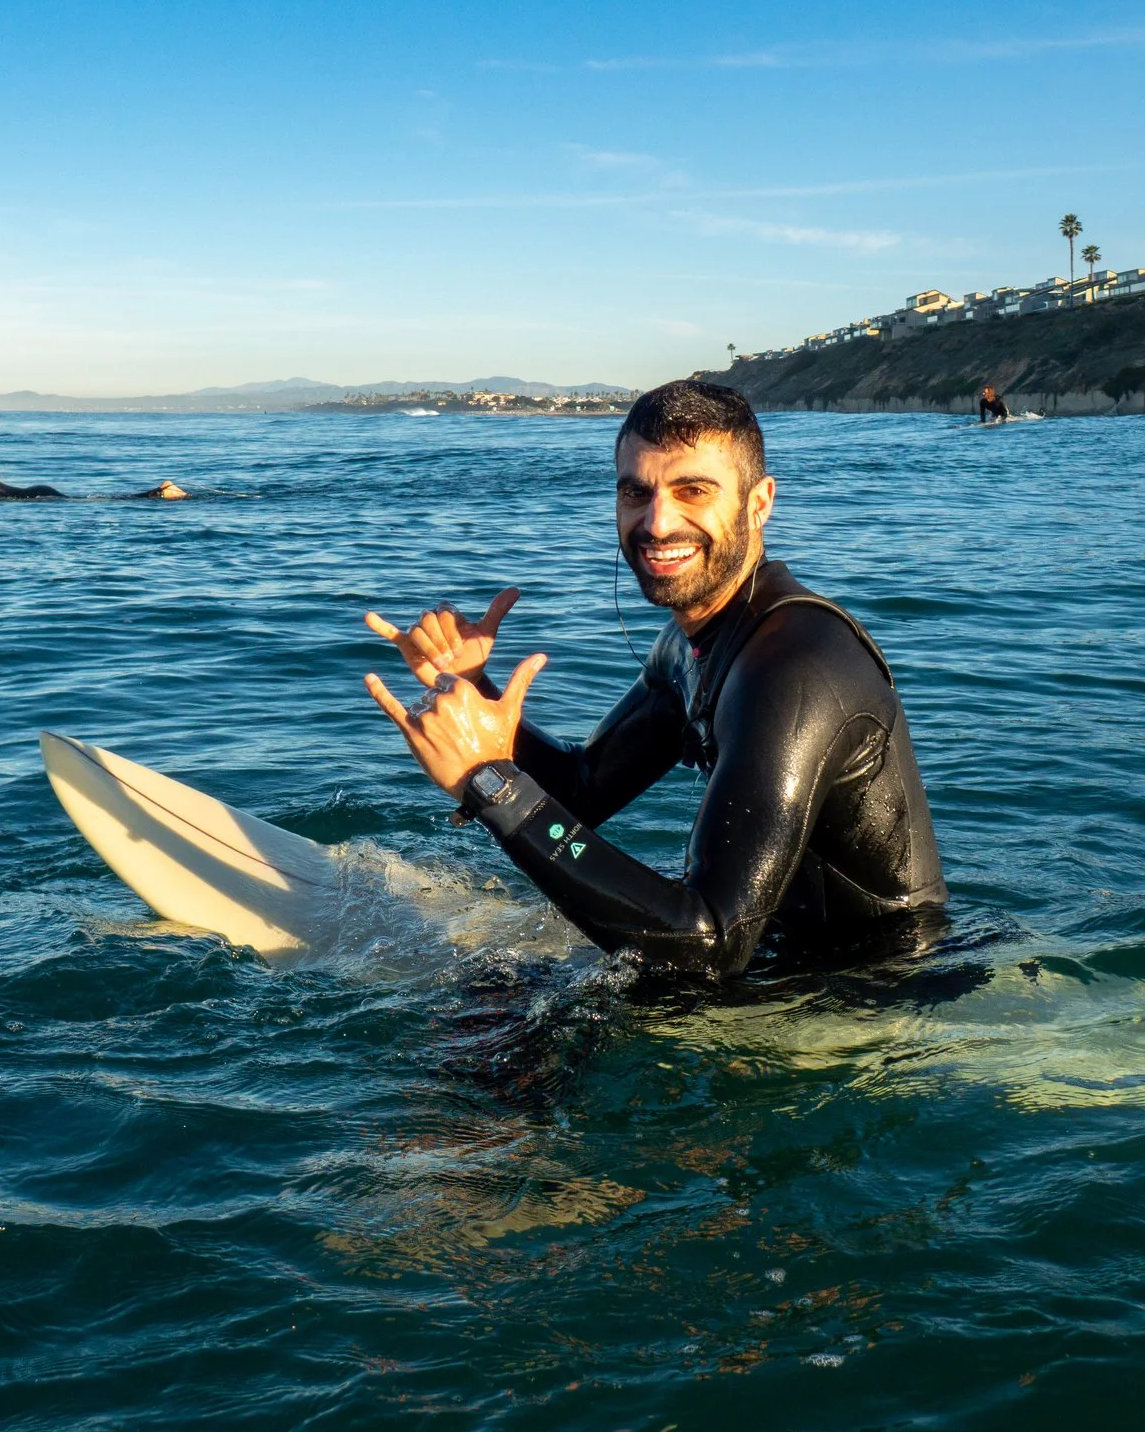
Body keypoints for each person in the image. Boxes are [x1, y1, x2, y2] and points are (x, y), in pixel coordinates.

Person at [362, 380, 943, 982]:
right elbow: (582, 789)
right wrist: (473, 689)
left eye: (693, 490)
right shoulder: (695, 644)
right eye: (636, 493)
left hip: (879, 1002)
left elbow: (711, 945)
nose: (658, 522)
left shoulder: (796, 666)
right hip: (786, 971)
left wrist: (494, 785)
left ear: (759, 503)